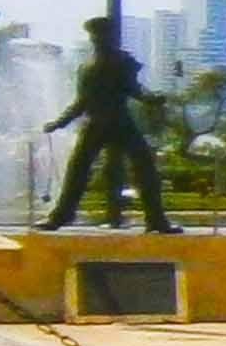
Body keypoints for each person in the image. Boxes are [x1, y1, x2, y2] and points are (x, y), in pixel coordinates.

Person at [42, 18, 176, 231]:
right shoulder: (86, 68)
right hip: (96, 124)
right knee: (77, 170)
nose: (98, 40)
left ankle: (156, 220)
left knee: (145, 168)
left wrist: (151, 98)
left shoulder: (122, 62)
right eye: (96, 36)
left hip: (120, 123)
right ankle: (61, 216)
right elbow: (81, 103)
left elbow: (135, 89)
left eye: (103, 35)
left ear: (110, 37)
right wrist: (59, 123)